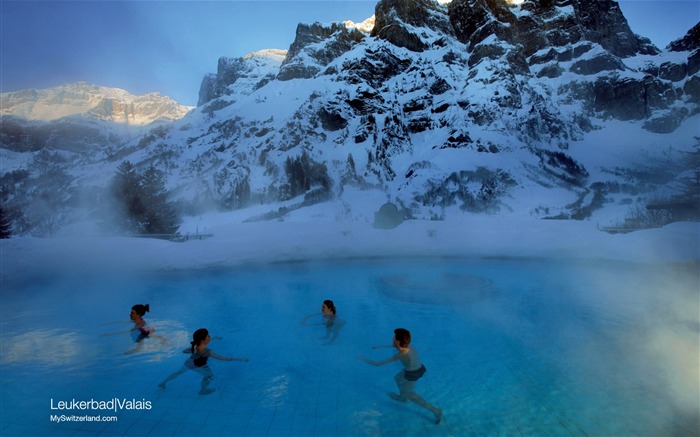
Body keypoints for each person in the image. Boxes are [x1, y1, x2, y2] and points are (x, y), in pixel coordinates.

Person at [358, 328, 442, 424]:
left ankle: (435, 411)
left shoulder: (401, 355)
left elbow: (378, 364)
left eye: (393, 338)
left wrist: (362, 358)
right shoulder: (410, 347)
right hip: (416, 367)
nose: (392, 339)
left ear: (397, 342)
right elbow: (395, 346)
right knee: (397, 378)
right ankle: (402, 397)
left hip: (412, 374)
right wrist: (381, 346)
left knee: (410, 395)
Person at [158, 328, 248, 395]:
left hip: (189, 362)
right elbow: (222, 358)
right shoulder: (207, 352)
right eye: (208, 336)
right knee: (209, 376)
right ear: (204, 339)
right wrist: (239, 359)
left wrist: (214, 338)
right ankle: (202, 390)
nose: (209, 337)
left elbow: (185, 350)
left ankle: (163, 382)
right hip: (198, 366)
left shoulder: (195, 345)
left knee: (179, 372)